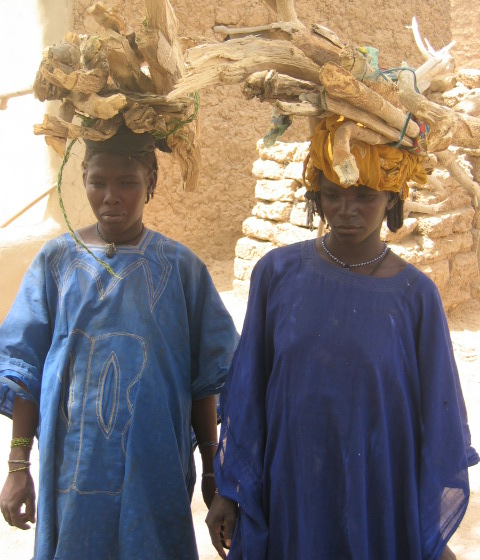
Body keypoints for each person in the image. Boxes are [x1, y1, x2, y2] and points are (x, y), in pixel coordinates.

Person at [206, 116, 479, 560]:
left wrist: (423, 533)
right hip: (291, 484)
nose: (346, 210)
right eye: (332, 195)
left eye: (365, 196)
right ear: (317, 197)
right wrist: (231, 490)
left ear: (394, 196)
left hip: (375, 491)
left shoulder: (415, 297)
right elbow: (248, 393)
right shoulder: (277, 274)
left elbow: (437, 416)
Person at [0, 125, 238, 559]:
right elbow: (24, 371)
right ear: (84, 178)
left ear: (151, 182)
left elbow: (206, 382)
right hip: (71, 469)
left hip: (153, 467)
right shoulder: (56, 262)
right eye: (98, 182)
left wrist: (212, 470)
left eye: (128, 182)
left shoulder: (182, 269)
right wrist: (18, 466)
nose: (112, 196)